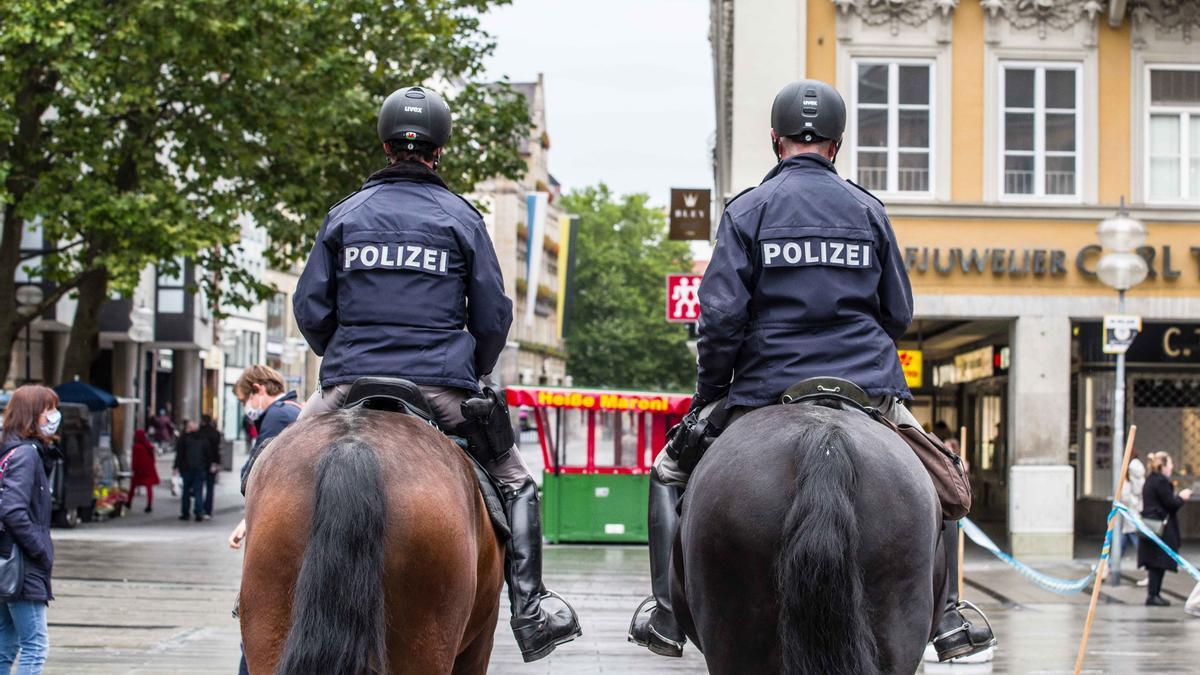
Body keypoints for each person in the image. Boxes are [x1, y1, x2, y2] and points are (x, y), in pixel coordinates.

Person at [628, 79, 993, 661]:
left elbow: (720, 320)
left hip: (764, 386)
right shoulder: (868, 211)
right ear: (837, 143)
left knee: (669, 471)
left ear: (776, 140)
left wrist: (707, 398)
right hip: (865, 387)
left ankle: (667, 615)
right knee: (943, 480)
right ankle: (948, 617)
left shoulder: (747, 210)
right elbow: (898, 311)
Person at [292, 85, 580, 663]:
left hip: (349, 384)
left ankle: (259, 584)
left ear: (384, 144)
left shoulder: (344, 215)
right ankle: (531, 608)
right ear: (438, 151)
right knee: (516, 479)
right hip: (438, 388)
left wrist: (343, 354)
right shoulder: (461, 219)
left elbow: (310, 307)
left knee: (269, 463)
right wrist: (466, 372)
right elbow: (495, 314)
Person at [228, 364, 302, 675]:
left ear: (259, 389)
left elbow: (267, 472)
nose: (247, 407)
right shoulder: (295, 409)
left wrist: (248, 521)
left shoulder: (277, 415)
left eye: (246, 398)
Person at [0, 384, 61, 673]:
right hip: (21, 563)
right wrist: (39, 548)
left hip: (7, 559)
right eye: (48, 409)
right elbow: (12, 509)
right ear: (32, 414)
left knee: (6, 644)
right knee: (35, 646)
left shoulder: (9, 452)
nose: (53, 416)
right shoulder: (26, 455)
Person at [1139, 451, 1192, 606]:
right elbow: (1170, 504)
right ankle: (1153, 595)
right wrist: (1182, 497)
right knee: (1158, 562)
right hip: (1160, 527)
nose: (1172, 467)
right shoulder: (1161, 482)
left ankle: (1154, 594)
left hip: (1152, 525)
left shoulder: (1151, 480)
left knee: (1155, 562)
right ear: (1163, 466)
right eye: (1169, 464)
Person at [173, 421, 209, 522]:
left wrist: (176, 466)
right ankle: (198, 512)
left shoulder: (184, 439)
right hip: (199, 468)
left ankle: (185, 513)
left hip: (186, 468)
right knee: (198, 491)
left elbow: (179, 454)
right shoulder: (202, 438)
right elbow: (207, 453)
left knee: (186, 491)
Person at [128, 429, 160, 513]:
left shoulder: (136, 447)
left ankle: (129, 502)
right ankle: (149, 504)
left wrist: (134, 469)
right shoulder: (148, 445)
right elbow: (152, 457)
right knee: (149, 487)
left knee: (133, 486)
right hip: (149, 468)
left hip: (139, 470)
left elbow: (135, 460)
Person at [198, 416, 223, 519]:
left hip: (201, 463)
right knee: (210, 487)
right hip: (212, 463)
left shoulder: (199, 433)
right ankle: (208, 510)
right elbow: (217, 450)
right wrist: (216, 462)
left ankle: (199, 509)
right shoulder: (215, 433)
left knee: (198, 488)